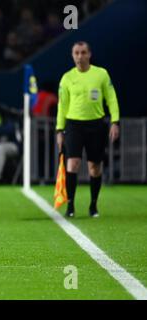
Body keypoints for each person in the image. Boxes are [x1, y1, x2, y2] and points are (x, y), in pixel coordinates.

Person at [56, 41, 120, 218]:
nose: (79, 56)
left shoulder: (101, 74)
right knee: (72, 163)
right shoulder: (67, 78)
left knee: (94, 168)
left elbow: (112, 99)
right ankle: (70, 206)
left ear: (89, 54)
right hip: (74, 125)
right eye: (76, 53)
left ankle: (93, 205)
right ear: (72, 55)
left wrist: (115, 121)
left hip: (96, 125)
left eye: (83, 52)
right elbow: (62, 105)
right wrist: (59, 130)